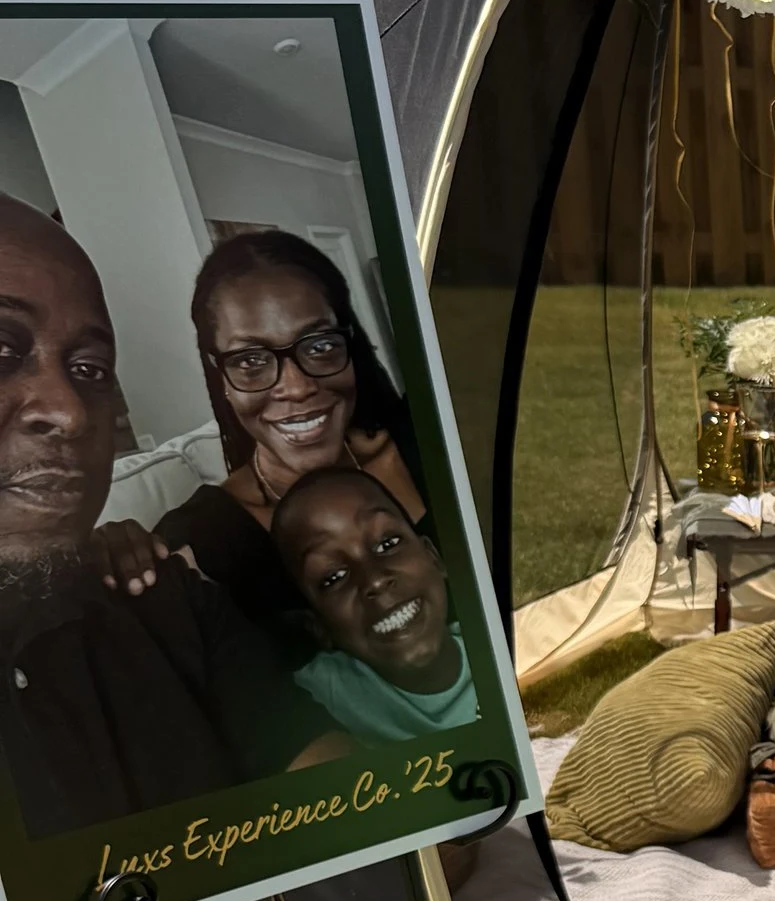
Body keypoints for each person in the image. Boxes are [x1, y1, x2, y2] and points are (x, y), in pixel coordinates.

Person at [0, 199, 345, 838]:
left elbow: (395, 832)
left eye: (89, 370)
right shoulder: (198, 539)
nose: (71, 413)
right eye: (1, 348)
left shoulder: (166, 600)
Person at [99, 229, 428, 640]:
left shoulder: (429, 442)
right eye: (251, 360)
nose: (297, 386)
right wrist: (107, 564)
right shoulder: (202, 542)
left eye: (319, 345)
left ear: (349, 342)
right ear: (219, 373)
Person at [273, 468, 478, 743]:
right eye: (333, 577)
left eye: (388, 543)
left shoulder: (509, 640)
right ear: (319, 627)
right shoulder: (308, 698)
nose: (375, 580)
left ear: (433, 557)